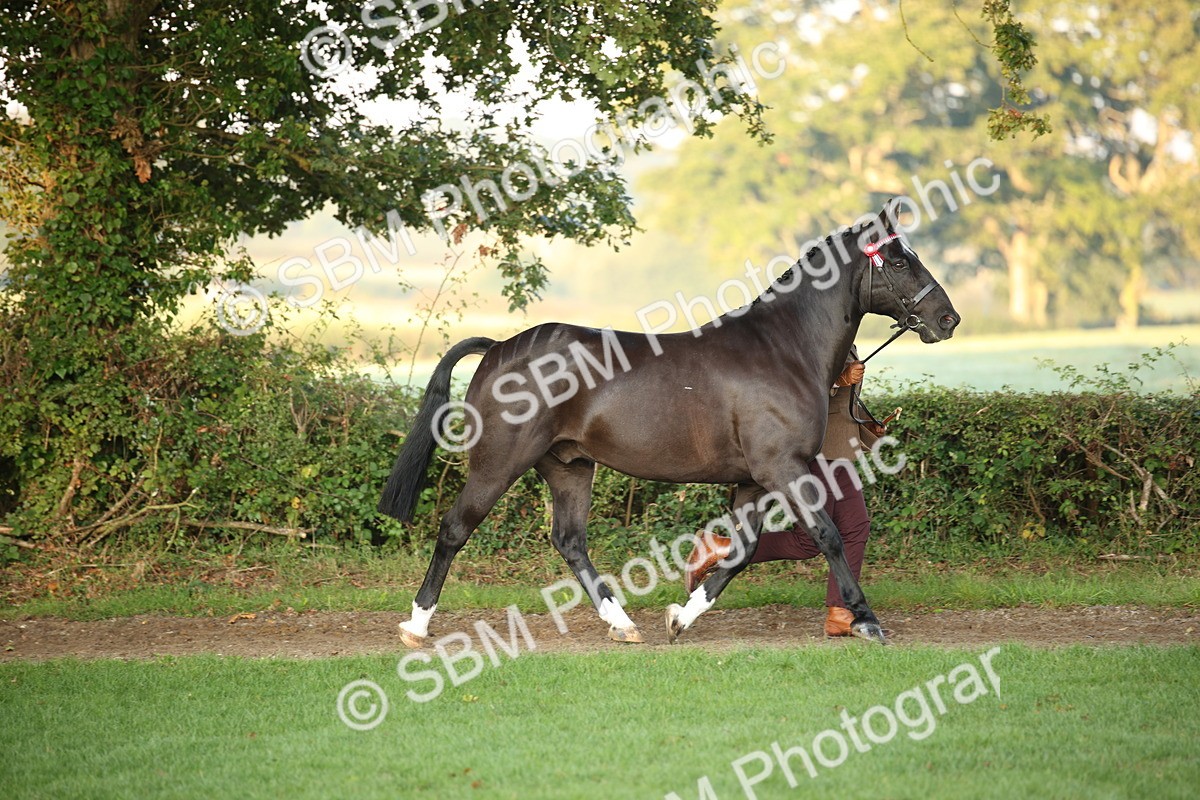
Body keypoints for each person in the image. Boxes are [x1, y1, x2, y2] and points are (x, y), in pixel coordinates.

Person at [683, 347, 893, 637]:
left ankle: (840, 612)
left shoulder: (845, 336)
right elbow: (792, 385)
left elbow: (843, 406)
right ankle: (720, 548)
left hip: (839, 451)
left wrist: (866, 428)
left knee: (856, 527)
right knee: (807, 541)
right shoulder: (813, 331)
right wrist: (839, 380)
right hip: (812, 449)